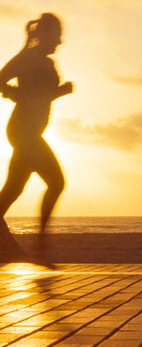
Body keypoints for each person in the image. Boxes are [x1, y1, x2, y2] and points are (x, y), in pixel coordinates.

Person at [0, 13, 73, 257]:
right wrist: (16, 94)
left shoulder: (46, 62)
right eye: (57, 35)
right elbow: (4, 82)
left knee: (13, 189)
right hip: (23, 131)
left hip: (30, 131)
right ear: (45, 35)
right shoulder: (27, 58)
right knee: (56, 182)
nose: (60, 41)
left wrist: (58, 92)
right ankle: (41, 246)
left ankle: (38, 246)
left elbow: (41, 95)